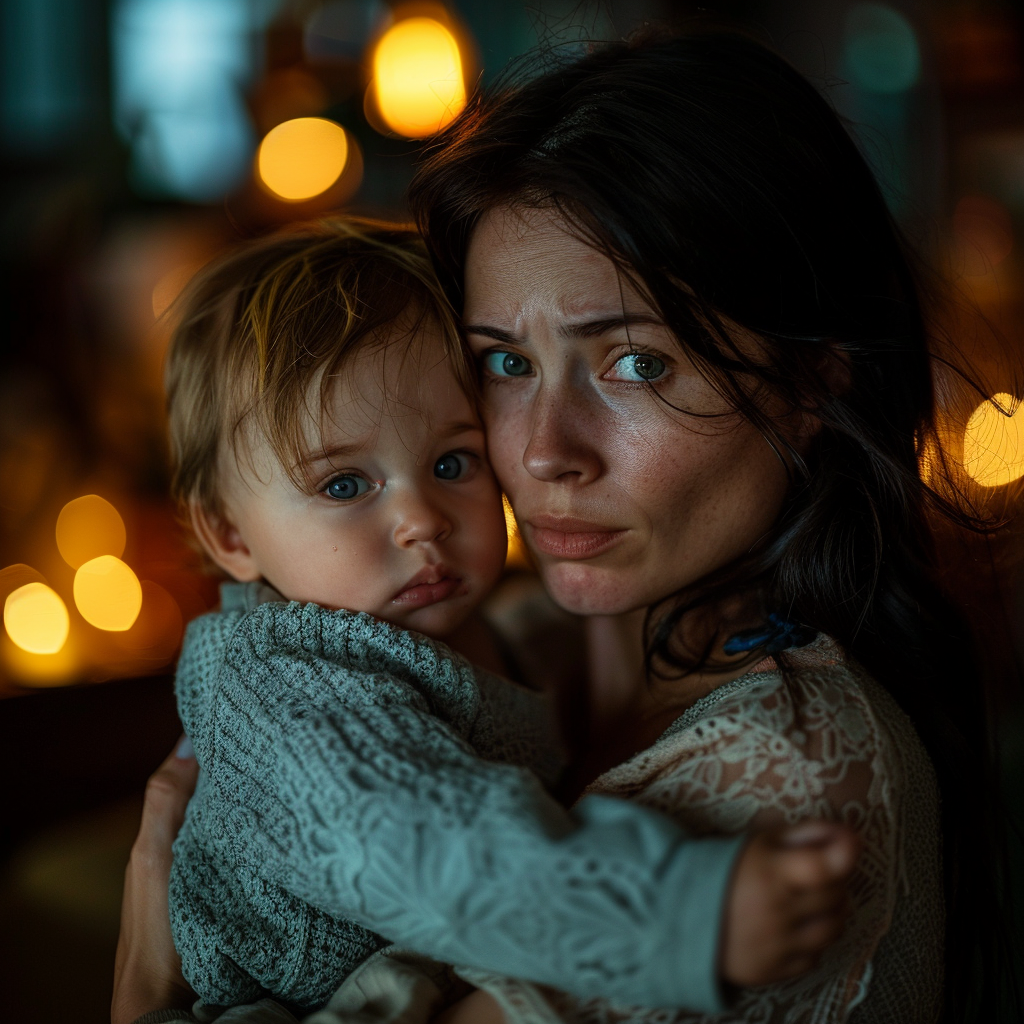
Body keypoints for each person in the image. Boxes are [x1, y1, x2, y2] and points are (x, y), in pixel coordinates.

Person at [115, 25, 995, 1024]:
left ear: (810, 386)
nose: (541, 453)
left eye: (636, 363)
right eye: (504, 363)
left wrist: (142, 1001)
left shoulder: (784, 777)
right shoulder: (504, 648)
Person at [152, 218, 854, 1020]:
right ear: (231, 535)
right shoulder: (281, 682)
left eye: (453, 463)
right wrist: (687, 917)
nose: (423, 519)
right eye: (345, 486)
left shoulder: (458, 627)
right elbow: (432, 843)